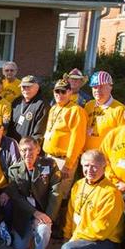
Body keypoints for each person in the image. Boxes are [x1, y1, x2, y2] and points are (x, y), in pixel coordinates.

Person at [46, 150, 125, 249]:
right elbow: (71, 213)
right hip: (83, 236)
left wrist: (73, 240)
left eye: (95, 166)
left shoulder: (111, 193)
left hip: (106, 241)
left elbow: (101, 230)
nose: (90, 170)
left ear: (104, 167)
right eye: (86, 165)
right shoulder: (79, 184)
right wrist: (67, 235)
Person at [5, 137, 61, 249]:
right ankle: (26, 230)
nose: (27, 153)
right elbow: (16, 197)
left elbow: (56, 191)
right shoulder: (14, 170)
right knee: (20, 246)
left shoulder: (50, 165)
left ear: (38, 150)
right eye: (24, 150)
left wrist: (48, 216)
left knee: (44, 230)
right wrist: (35, 213)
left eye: (31, 149)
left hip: (44, 211)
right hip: (25, 213)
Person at [42, 79, 87, 214]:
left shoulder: (76, 110)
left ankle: (58, 225)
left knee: (60, 193)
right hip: (49, 156)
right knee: (47, 191)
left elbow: (77, 139)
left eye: (63, 91)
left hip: (63, 159)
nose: (59, 94)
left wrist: (69, 163)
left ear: (70, 92)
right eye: (57, 91)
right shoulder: (54, 108)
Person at [84, 71, 125, 151]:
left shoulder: (120, 109)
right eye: (95, 87)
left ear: (110, 87)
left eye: (101, 87)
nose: (98, 90)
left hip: (105, 157)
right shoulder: (88, 105)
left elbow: (122, 137)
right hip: (86, 155)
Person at [10, 75, 49, 143]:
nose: (26, 89)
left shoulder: (42, 104)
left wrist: (31, 147)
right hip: (14, 146)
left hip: (29, 148)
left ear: (37, 87)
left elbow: (39, 133)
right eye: (23, 87)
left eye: (29, 86)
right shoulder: (16, 102)